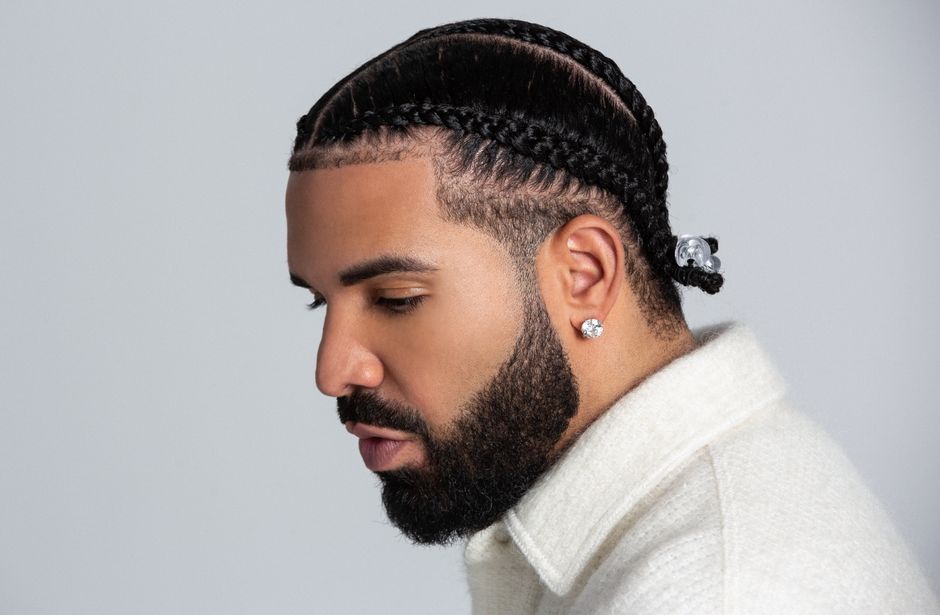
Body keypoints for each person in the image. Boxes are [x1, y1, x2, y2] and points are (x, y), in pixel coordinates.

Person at [284, 17, 939, 614]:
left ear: (586, 276)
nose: (332, 370)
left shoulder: (718, 595)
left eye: (395, 298)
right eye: (321, 300)